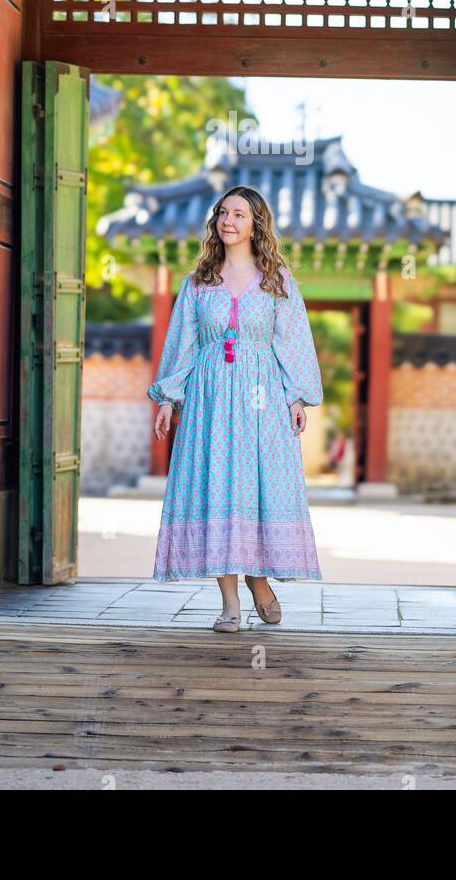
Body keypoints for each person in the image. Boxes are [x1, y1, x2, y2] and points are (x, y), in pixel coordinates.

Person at [147, 185, 323, 631]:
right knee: (216, 488)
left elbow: (294, 342)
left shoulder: (278, 281)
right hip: (208, 399)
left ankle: (258, 580)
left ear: (256, 223)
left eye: (240, 214)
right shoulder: (197, 282)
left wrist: (297, 396)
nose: (229, 221)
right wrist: (168, 397)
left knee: (256, 488)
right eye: (223, 213)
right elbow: (181, 344)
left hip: (260, 400)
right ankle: (229, 602)